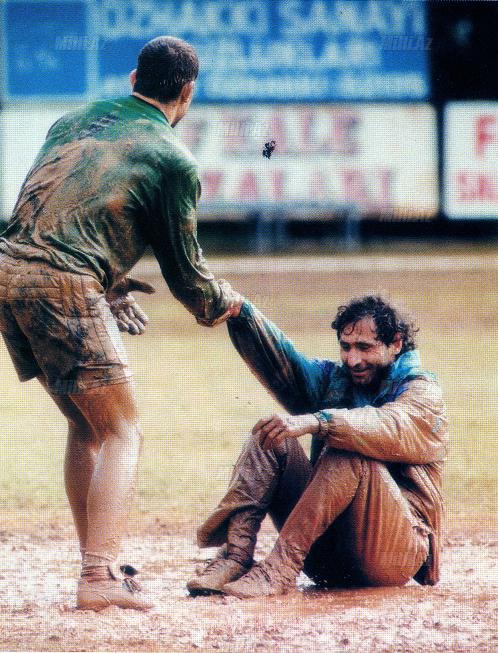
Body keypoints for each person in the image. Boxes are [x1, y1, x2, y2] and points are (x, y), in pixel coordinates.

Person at [0, 36, 240, 611]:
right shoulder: (173, 158)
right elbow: (186, 272)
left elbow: (52, 207)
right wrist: (219, 303)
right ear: (187, 92)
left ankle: (97, 568)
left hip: (7, 270)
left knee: (88, 426)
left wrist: (106, 282)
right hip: (60, 282)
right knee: (122, 429)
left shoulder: (76, 118)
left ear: (134, 77)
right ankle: (99, 578)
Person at [187, 295, 448, 598]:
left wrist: (319, 422)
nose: (353, 359)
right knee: (270, 435)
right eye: (346, 347)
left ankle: (280, 568)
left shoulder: (423, 393)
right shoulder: (336, 381)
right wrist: (241, 313)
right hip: (324, 556)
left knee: (349, 449)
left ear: (396, 344)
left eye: (365, 347)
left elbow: (384, 424)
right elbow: (284, 364)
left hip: (392, 556)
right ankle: (236, 555)